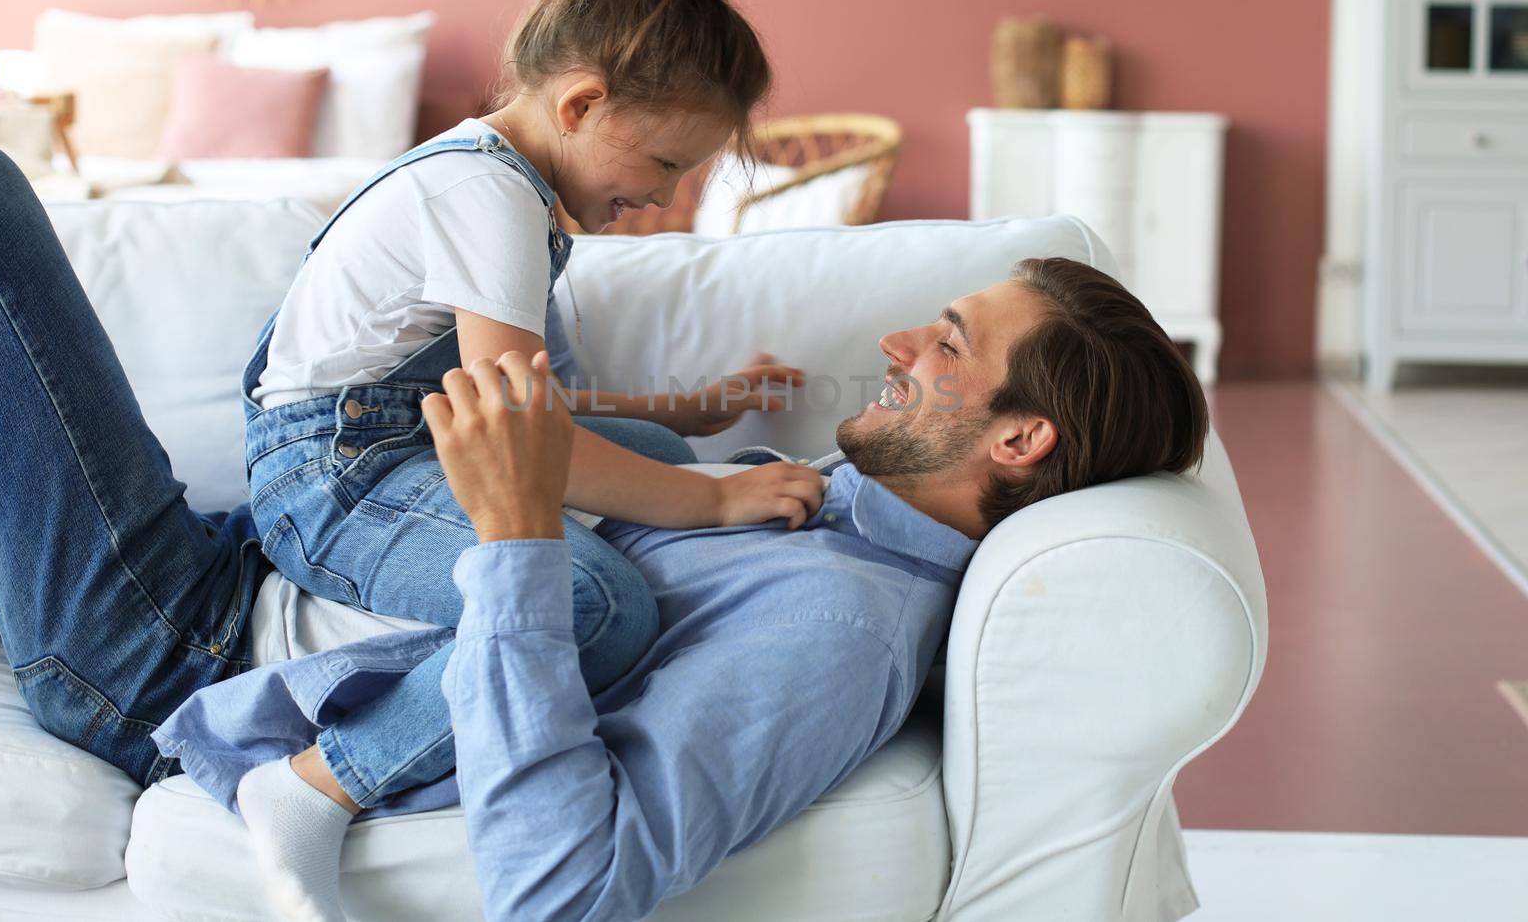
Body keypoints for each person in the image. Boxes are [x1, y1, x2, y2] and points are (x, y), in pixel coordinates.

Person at [155, 263, 1210, 922]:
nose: (897, 345)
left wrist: (521, 530)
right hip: (281, 544)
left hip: (192, 637)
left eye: (947, 343)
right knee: (505, 260)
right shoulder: (823, 505)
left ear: (1019, 439)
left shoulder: (840, 629)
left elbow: (564, 890)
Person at [232, 0, 828, 880]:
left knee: (661, 456)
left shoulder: (506, 185)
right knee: (600, 609)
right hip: (331, 481)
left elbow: (507, 402)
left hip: (412, 437)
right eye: (665, 162)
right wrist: (716, 496)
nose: (664, 200)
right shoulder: (485, 194)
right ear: (583, 104)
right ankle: (314, 780)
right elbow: (516, 436)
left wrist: (677, 418)